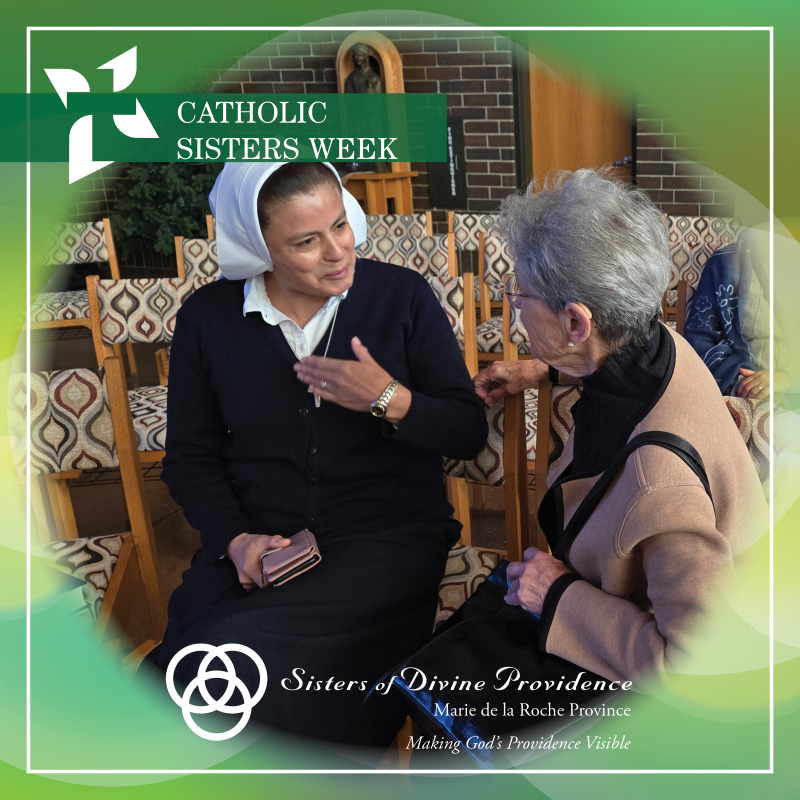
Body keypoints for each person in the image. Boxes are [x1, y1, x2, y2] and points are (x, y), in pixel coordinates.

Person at [149, 161, 488, 743]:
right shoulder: (210, 317)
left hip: (385, 543)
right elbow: (190, 457)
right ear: (260, 247)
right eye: (306, 241)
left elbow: (466, 432)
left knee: (225, 668)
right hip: (261, 547)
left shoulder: (399, 297)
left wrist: (388, 398)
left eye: (340, 225)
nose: (337, 252)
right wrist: (235, 540)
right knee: (178, 673)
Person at [473, 168, 768, 683]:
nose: (517, 309)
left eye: (521, 296)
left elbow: (703, 666)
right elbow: (608, 360)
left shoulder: (661, 478)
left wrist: (558, 596)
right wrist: (541, 368)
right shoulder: (662, 342)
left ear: (575, 322)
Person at [684, 225, 785, 401]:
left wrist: (787, 380)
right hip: (737, 389)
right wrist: (744, 385)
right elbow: (699, 341)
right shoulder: (723, 263)